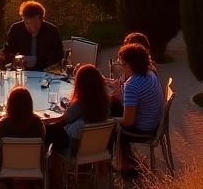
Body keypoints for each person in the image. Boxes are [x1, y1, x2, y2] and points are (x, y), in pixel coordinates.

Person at [114, 43, 163, 174]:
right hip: (154, 122)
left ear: (130, 64)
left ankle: (127, 165)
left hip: (144, 128)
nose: (121, 67)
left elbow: (128, 122)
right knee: (114, 105)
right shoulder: (150, 72)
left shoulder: (132, 84)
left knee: (111, 126)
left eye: (122, 64)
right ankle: (129, 160)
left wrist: (112, 120)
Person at [59, 63, 111, 147]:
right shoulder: (105, 101)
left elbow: (65, 118)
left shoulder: (80, 104)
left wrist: (63, 108)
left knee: (52, 130)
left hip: (73, 147)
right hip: (96, 146)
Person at [3, 0, 63, 71]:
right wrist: (17, 61)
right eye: (27, 22)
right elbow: (7, 52)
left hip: (45, 73)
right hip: (22, 72)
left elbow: (59, 56)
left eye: (34, 22)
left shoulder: (52, 31)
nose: (31, 26)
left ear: (41, 20)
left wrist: (38, 61)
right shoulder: (16, 29)